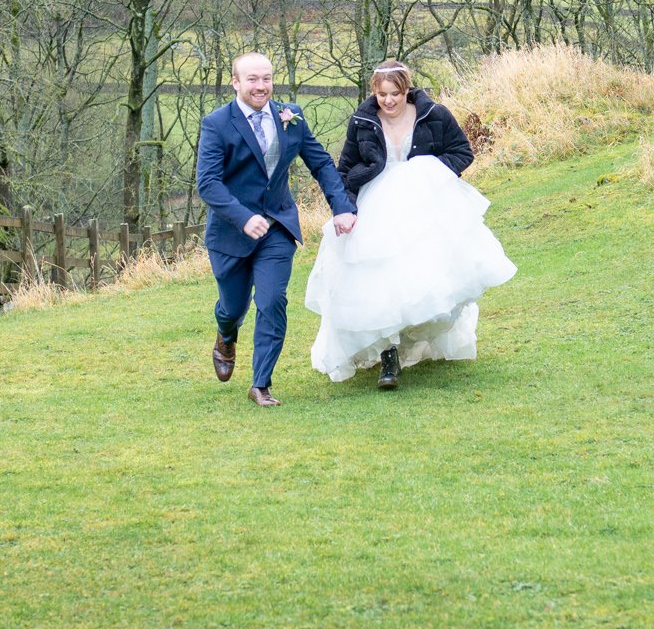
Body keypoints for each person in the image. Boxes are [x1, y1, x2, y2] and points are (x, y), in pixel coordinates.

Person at [304, 60, 515, 389]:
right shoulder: (362, 120)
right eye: (381, 94)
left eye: (395, 94)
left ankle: (420, 339)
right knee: (378, 275)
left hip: (424, 202)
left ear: (407, 90)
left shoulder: (435, 115)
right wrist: (344, 208)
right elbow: (345, 167)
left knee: (423, 271)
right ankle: (388, 354)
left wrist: (428, 172)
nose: (388, 101)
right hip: (376, 201)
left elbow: (462, 152)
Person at [196, 51, 355, 408]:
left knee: (271, 301)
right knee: (233, 307)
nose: (261, 86)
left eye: (266, 78)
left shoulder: (291, 116)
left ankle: (260, 383)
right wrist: (242, 217)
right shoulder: (217, 124)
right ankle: (225, 333)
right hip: (230, 233)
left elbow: (321, 163)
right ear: (236, 82)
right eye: (252, 79)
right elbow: (207, 184)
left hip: (278, 226)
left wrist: (342, 207)